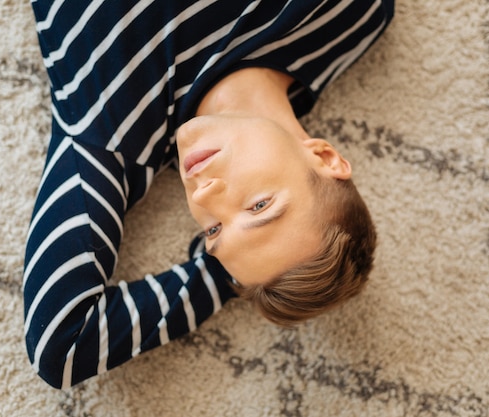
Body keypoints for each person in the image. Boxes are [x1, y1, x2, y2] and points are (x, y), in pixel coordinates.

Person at [24, 0, 394, 389]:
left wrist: (224, 277)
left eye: (214, 230)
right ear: (325, 158)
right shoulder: (351, 17)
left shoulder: (110, 135)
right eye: (260, 205)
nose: (205, 196)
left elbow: (61, 347)